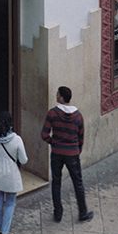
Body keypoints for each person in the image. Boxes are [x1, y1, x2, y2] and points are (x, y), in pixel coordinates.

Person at [41, 86, 92, 224]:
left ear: (62, 97)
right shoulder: (78, 116)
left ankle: (58, 213)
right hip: (73, 154)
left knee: (56, 182)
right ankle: (83, 212)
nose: (56, 96)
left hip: (57, 153)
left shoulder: (52, 113)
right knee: (78, 183)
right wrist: (76, 149)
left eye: (58, 94)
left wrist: (54, 143)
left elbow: (44, 134)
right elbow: (81, 137)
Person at [0, 111, 27, 234]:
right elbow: (24, 160)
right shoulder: (17, 140)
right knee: (10, 203)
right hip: (11, 175)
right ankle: (5, 232)